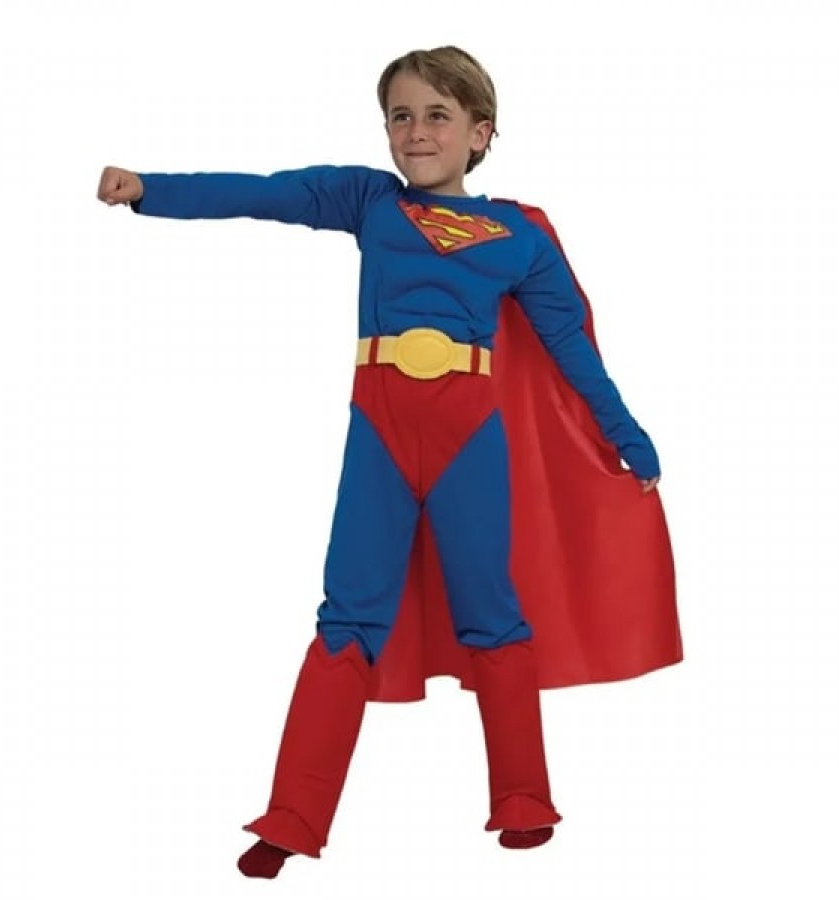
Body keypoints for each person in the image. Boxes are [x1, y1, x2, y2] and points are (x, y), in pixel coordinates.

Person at [97, 45, 681, 880]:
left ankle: (524, 798)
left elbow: (570, 347)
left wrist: (628, 436)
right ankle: (292, 817)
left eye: (438, 115)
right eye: (400, 116)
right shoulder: (369, 200)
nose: (415, 131)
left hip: (470, 440)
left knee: (492, 613)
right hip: (379, 433)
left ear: (481, 133)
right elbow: (265, 193)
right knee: (347, 619)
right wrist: (150, 190)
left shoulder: (519, 236)